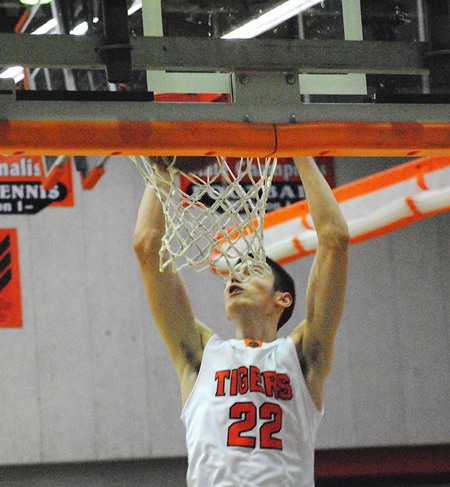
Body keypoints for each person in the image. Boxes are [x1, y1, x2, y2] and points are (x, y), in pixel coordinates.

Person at [133, 156, 350, 487]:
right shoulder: (201, 354)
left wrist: (300, 152)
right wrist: (162, 173)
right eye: (235, 272)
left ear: (283, 299)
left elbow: (335, 239)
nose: (236, 277)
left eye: (252, 271)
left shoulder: (303, 358)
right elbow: (147, 248)